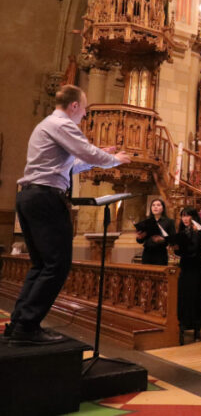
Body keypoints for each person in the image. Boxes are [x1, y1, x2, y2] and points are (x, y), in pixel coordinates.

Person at [7, 85, 131, 345]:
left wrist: (100, 156)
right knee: (57, 266)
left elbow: (71, 164)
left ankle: (19, 323)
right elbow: (86, 151)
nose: (84, 115)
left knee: (42, 265)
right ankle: (27, 326)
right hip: (45, 198)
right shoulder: (62, 124)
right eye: (84, 109)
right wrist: (116, 159)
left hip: (31, 196)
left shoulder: (49, 124)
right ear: (74, 106)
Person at [174, 207, 201, 343]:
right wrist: (176, 248)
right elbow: (181, 252)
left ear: (193, 217)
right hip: (185, 266)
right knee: (184, 296)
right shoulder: (182, 232)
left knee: (196, 296)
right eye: (183, 216)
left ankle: (197, 329)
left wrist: (183, 248)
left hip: (195, 266)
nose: (185, 219)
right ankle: (184, 326)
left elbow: (197, 249)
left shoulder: (199, 231)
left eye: (188, 216)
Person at [136, 198, 176, 265]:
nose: (155, 207)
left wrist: (163, 239)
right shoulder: (147, 222)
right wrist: (139, 238)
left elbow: (173, 240)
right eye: (153, 205)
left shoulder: (169, 222)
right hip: (147, 253)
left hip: (160, 253)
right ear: (151, 208)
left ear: (163, 208)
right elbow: (140, 241)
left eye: (158, 205)